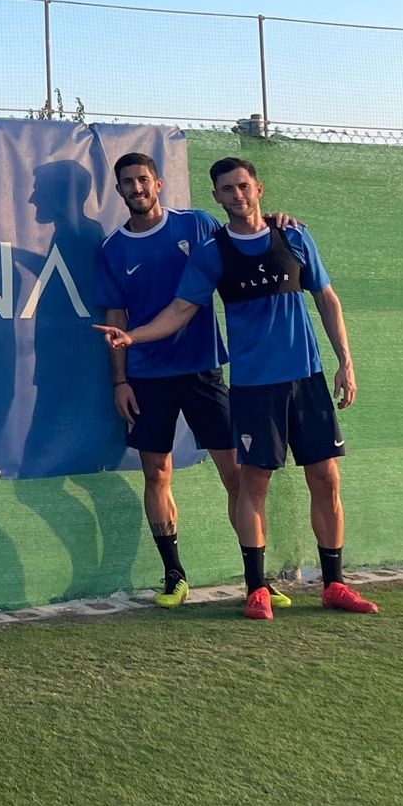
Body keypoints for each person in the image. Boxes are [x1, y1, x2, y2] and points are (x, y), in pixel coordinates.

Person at [97, 156, 376, 620]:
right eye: (227, 190)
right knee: (249, 485)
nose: (237, 195)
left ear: (258, 189)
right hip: (247, 387)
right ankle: (249, 587)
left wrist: (346, 362)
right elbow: (180, 310)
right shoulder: (211, 251)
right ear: (217, 198)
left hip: (300, 380)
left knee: (325, 479)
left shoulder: (292, 235)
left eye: (243, 186)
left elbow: (326, 298)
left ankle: (334, 584)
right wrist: (132, 340)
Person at [94, 152, 290, 610]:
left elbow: (247, 235)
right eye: (127, 183)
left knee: (237, 476)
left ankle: (255, 581)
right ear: (119, 191)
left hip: (204, 371)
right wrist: (119, 382)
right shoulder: (111, 249)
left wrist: (278, 221)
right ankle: (174, 575)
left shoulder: (198, 225)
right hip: (145, 378)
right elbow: (116, 317)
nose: (136, 188)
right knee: (156, 474)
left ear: (158, 183)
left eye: (143, 180)